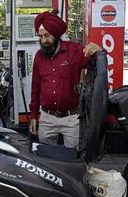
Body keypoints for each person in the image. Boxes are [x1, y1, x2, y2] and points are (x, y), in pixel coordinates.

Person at [29, 11, 103, 148]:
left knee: (73, 159)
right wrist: (33, 115)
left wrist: (98, 50)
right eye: (40, 37)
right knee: (46, 159)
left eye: (47, 36)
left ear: (56, 34)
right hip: (46, 118)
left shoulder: (74, 51)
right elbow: (35, 87)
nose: (44, 41)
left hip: (71, 118)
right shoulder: (39, 56)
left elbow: (97, 59)